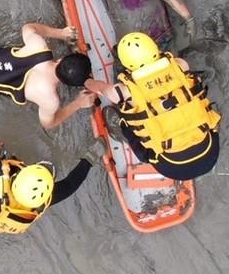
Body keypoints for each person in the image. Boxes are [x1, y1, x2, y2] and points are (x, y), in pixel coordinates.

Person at [85, 32, 221, 180]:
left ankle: (122, 132)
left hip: (174, 167)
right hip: (210, 152)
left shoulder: (122, 91)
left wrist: (86, 81)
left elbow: (100, 88)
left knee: (126, 121)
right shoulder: (180, 65)